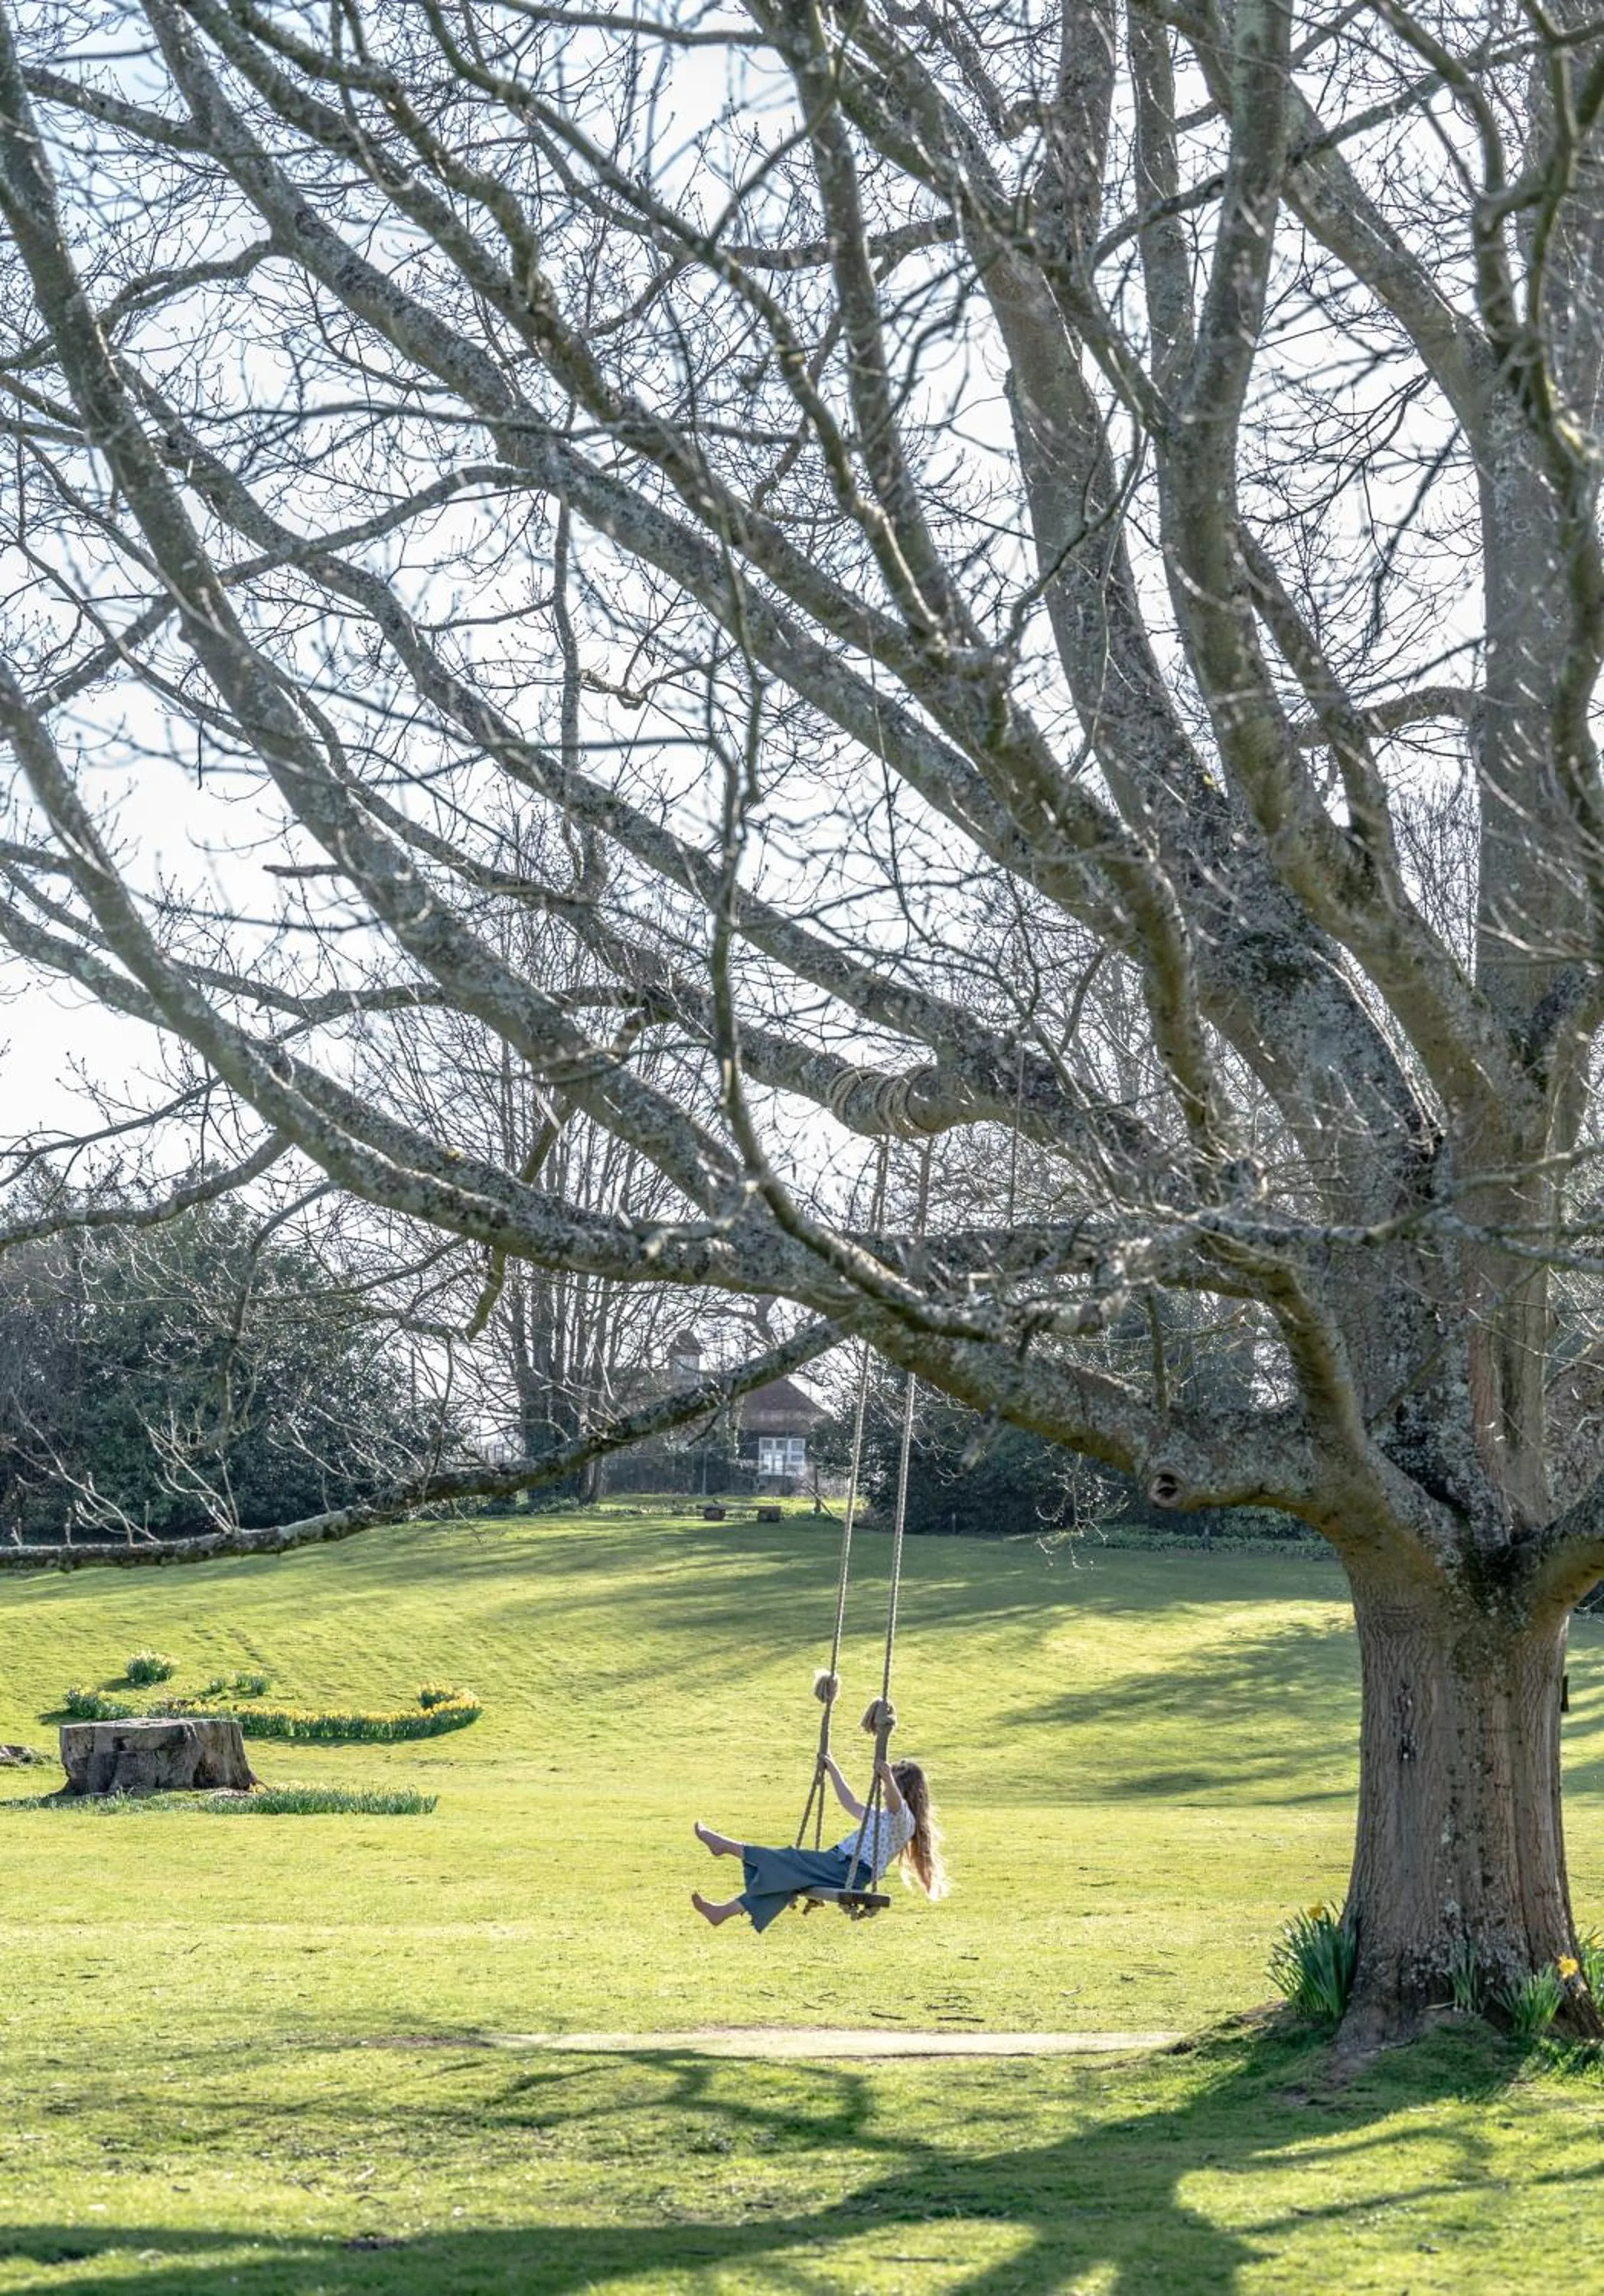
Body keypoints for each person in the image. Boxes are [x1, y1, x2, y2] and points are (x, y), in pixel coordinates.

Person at [691, 1753, 947, 1929]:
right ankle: (722, 1913)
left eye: (893, 1783)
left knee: (787, 1859)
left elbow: (894, 1800)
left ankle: (725, 1845)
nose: (883, 1788)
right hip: (837, 1862)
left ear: (906, 1789)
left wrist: (888, 1779)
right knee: (782, 1882)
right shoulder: (882, 1816)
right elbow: (850, 1803)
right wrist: (832, 1767)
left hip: (850, 1871)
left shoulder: (903, 1821)